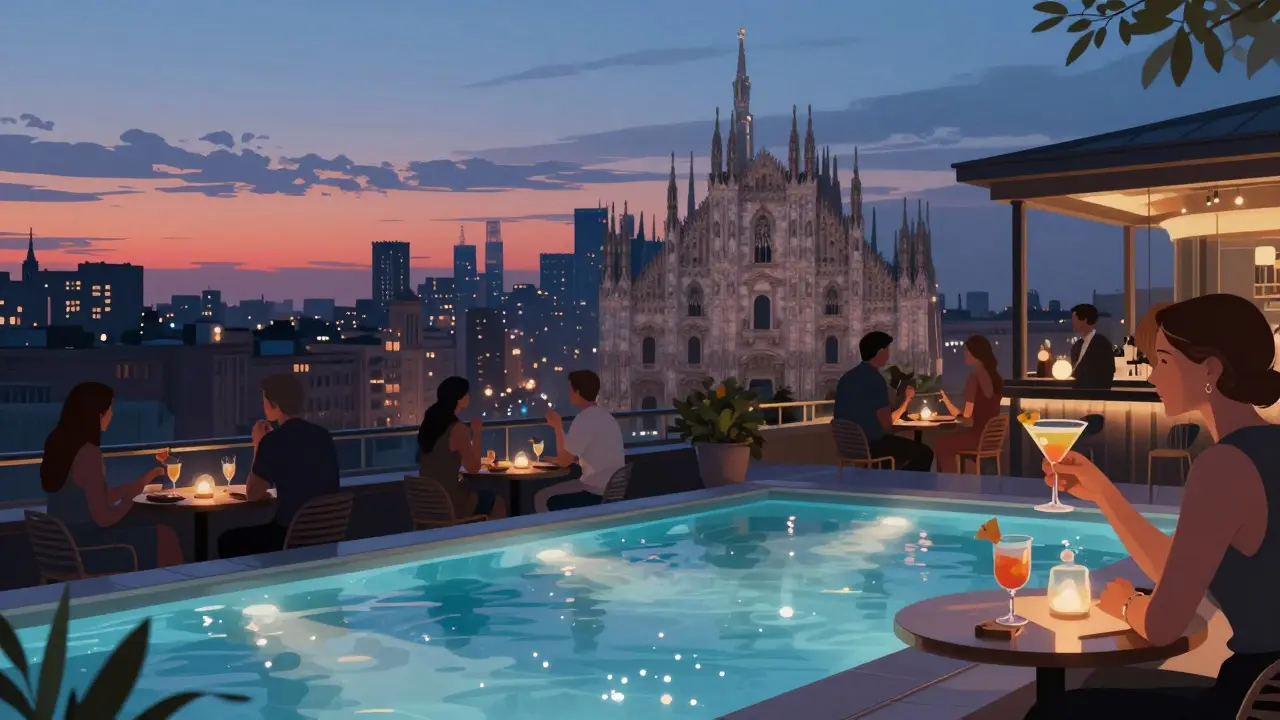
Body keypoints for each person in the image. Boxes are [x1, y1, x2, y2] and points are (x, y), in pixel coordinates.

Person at [1025, 294, 1280, 720]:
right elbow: (1186, 571)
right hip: (1268, 686)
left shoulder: (1224, 465)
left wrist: (1123, 603)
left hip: (1251, 701)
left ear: (1210, 371)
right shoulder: (1267, 447)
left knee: (1054, 712)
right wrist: (1105, 495)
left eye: (1163, 361)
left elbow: (1163, 626)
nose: (1151, 376)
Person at [40, 382, 184, 569]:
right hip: (88, 550)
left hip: (63, 546)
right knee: (165, 536)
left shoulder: (59, 446)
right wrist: (130, 499)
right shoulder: (88, 454)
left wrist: (139, 483)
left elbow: (92, 496)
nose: (112, 414)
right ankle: (176, 593)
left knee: (149, 525)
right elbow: (103, 518)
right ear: (96, 413)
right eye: (109, 409)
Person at [217, 373, 340, 558]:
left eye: (265, 401)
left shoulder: (273, 441)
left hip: (290, 536)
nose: (264, 407)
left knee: (228, 541)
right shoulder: (323, 436)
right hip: (326, 535)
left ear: (275, 404)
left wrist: (259, 444)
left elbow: (253, 494)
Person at [833, 331, 934, 471]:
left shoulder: (846, 379)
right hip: (873, 446)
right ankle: (901, 488)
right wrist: (906, 401)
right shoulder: (875, 380)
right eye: (887, 350)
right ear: (880, 352)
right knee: (924, 453)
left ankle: (888, 482)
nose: (888, 355)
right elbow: (887, 425)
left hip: (849, 447)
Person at [415, 376, 506, 519]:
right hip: (451, 502)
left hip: (428, 502)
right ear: (459, 398)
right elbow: (474, 468)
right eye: (467, 393)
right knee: (497, 502)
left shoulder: (429, 426)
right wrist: (476, 433)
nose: (470, 396)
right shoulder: (457, 428)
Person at [535, 370, 625, 512]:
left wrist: (557, 427)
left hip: (594, 492)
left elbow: (564, 460)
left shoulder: (584, 418)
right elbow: (586, 453)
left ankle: (558, 534)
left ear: (577, 392)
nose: (568, 392)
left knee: (542, 497)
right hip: (610, 490)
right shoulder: (605, 417)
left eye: (570, 388)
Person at [934, 335, 1004, 473]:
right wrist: (946, 400)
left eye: (967, 350)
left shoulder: (974, 377)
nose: (964, 354)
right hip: (990, 438)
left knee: (941, 443)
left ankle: (950, 482)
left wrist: (957, 418)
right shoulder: (996, 378)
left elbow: (967, 419)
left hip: (976, 437)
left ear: (976, 352)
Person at [1069, 303, 1114, 389]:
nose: (1072, 322)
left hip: (1096, 396)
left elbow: (1107, 374)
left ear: (1084, 320)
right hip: (1078, 396)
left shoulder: (1102, 344)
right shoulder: (1077, 345)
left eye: (1074, 319)